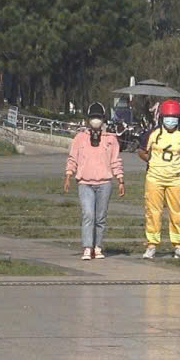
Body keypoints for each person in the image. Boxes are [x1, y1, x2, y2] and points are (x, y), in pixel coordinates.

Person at [64, 101, 124, 260]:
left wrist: (120, 179)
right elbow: (73, 158)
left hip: (104, 183)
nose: (96, 120)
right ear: (88, 119)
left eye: (98, 117)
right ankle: (87, 247)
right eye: (93, 117)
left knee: (100, 217)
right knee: (88, 214)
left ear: (104, 119)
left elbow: (115, 160)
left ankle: (98, 247)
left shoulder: (110, 139)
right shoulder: (80, 138)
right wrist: (69, 175)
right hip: (85, 183)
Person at [140, 98, 180, 259]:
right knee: (153, 212)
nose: (171, 120)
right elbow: (142, 151)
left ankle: (179, 245)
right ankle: (152, 244)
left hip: (175, 179)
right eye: (168, 117)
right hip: (154, 178)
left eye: (174, 117)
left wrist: (176, 167)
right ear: (161, 117)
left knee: (177, 213)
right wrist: (150, 160)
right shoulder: (152, 134)